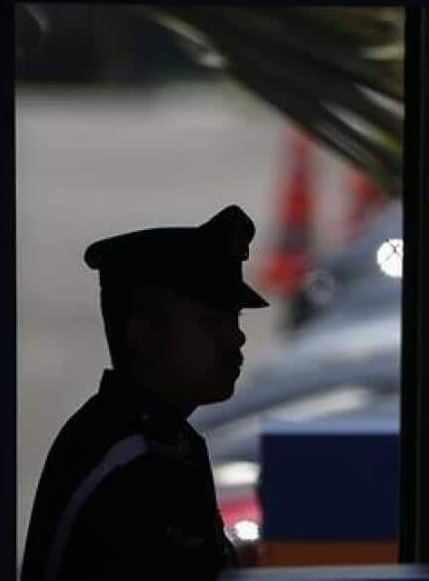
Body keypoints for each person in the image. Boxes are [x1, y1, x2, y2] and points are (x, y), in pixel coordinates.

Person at [21, 205, 269, 581]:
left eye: (234, 319)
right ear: (144, 338)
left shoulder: (160, 442)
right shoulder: (134, 464)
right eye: (210, 321)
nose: (236, 337)